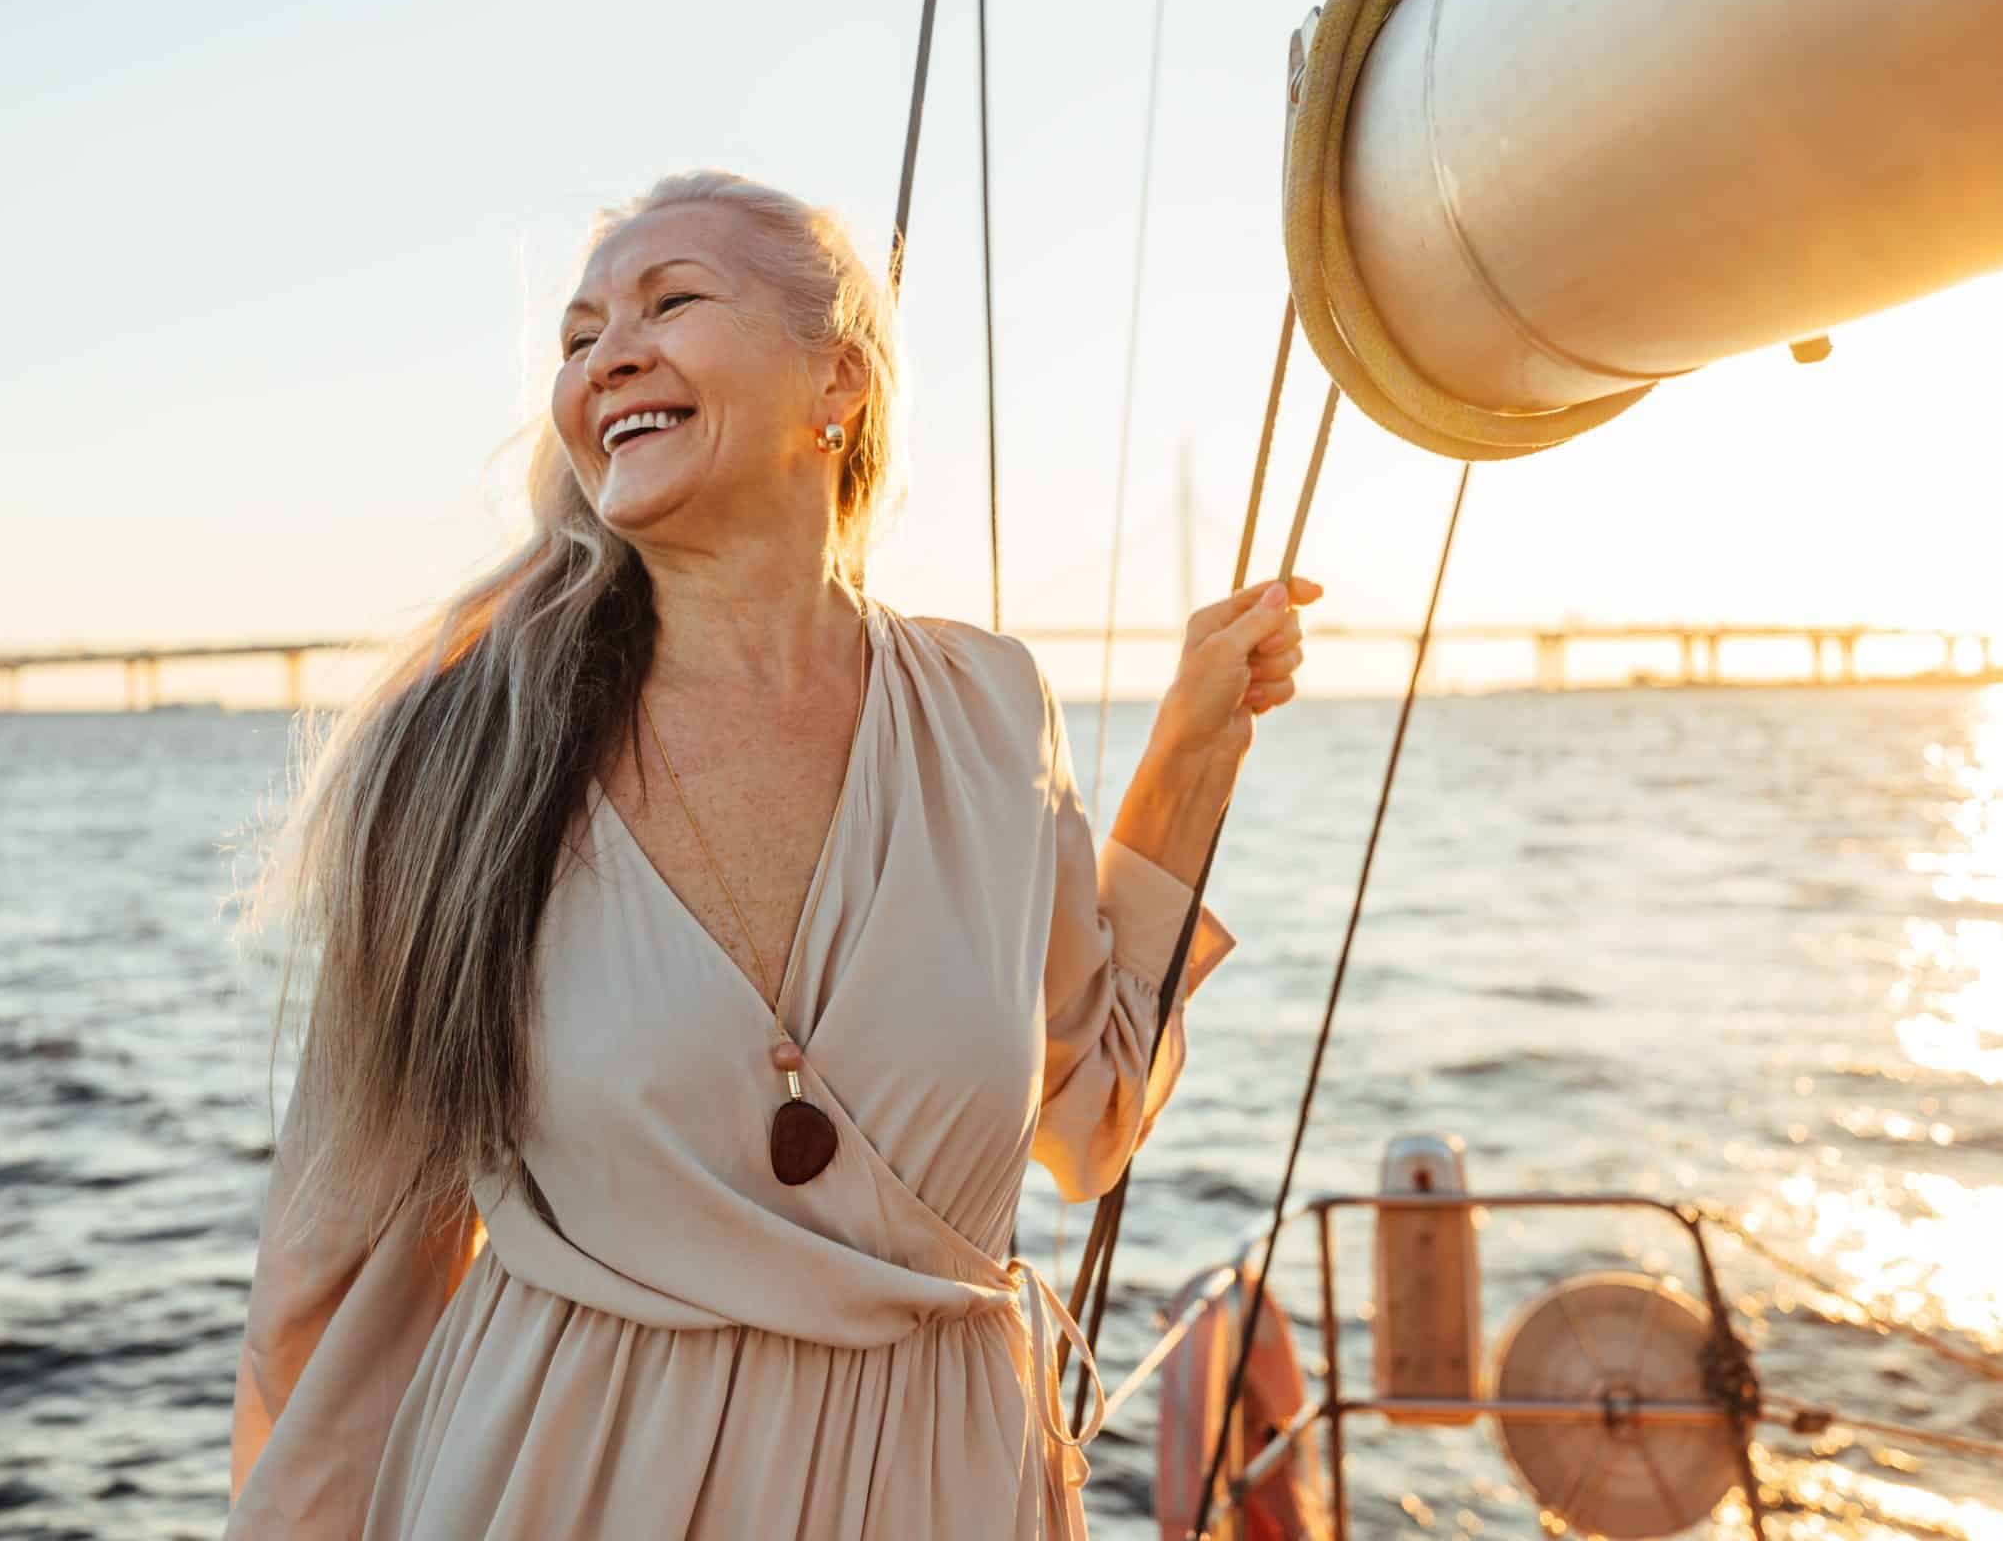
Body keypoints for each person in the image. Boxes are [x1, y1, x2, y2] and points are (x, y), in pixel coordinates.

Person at [222, 168, 1321, 1539]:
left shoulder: (988, 710)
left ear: (839, 382)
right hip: (566, 1491)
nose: (609, 353)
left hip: (938, 1491)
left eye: (671, 300)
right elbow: (330, 1274)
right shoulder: (461, 759)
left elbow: (1088, 1112)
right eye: (576, 338)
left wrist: (1193, 753)